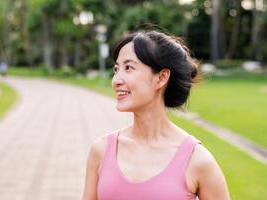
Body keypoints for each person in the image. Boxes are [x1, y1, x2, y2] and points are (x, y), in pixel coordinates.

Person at [82, 30, 231, 200]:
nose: (116, 80)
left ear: (161, 78)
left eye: (128, 67)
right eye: (117, 69)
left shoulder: (197, 160)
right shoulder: (101, 150)